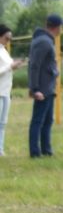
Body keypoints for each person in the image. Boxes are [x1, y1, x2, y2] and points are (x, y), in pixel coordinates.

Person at [26, 12, 61, 159]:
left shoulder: (46, 40)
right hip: (42, 88)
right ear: (57, 27)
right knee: (38, 120)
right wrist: (35, 89)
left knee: (48, 120)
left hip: (48, 87)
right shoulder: (43, 42)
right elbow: (34, 65)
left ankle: (46, 149)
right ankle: (35, 152)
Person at [0, 23, 13, 157]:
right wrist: (10, 67)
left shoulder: (4, 50)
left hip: (6, 91)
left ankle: (0, 148)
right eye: (6, 38)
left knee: (3, 122)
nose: (8, 41)